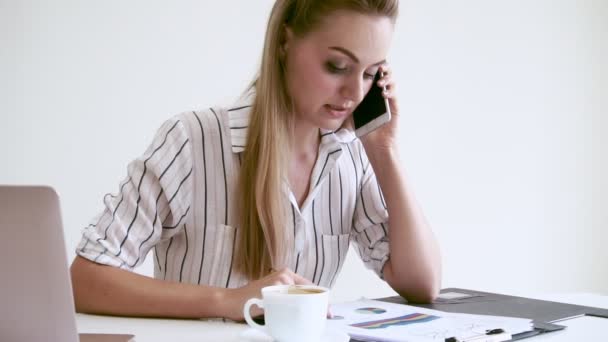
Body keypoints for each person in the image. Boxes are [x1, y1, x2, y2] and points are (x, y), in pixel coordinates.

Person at [70, 0, 442, 321]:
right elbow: (85, 278)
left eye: (371, 72)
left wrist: (384, 150)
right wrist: (227, 301)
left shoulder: (352, 157)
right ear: (284, 42)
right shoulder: (192, 141)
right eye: (337, 66)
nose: (354, 92)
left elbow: (422, 284)